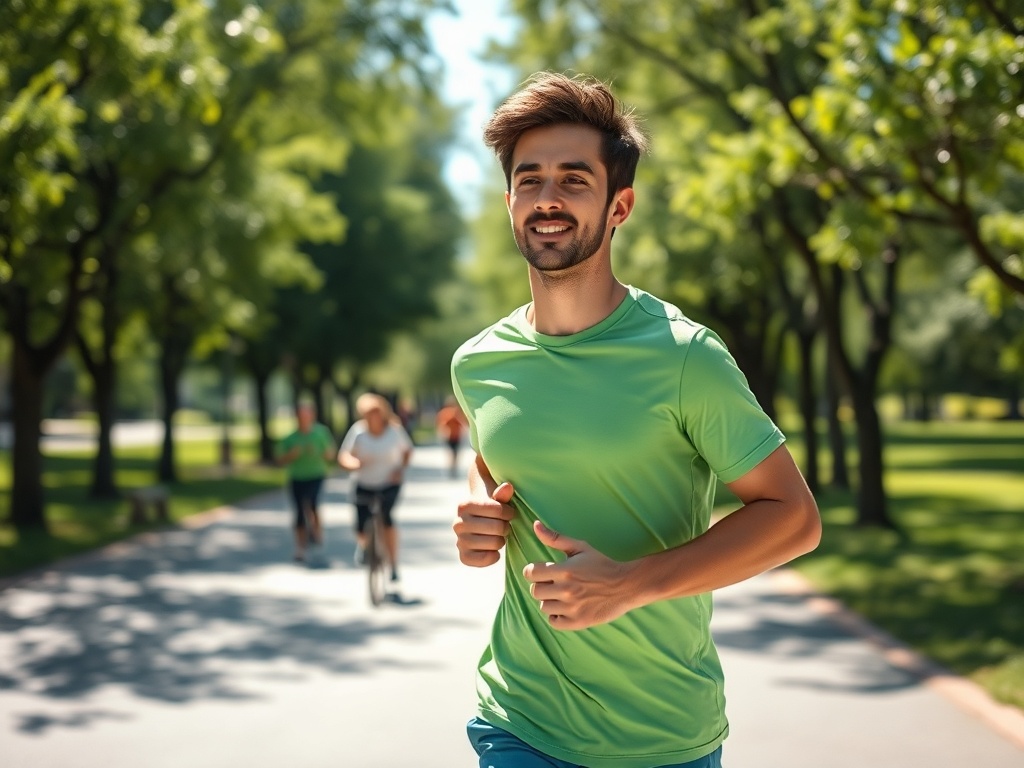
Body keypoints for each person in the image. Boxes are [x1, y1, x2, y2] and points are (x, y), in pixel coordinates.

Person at [449, 72, 821, 768]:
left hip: (662, 735)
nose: (547, 198)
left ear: (619, 205)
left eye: (573, 180)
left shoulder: (685, 357)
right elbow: (496, 460)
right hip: (519, 719)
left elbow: (795, 519)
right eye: (529, 181)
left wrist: (631, 584)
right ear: (509, 203)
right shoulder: (477, 363)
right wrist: (480, 509)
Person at [337, 393, 413, 582]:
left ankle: (393, 564)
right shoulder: (358, 432)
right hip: (364, 483)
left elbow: (407, 451)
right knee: (360, 524)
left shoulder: (394, 431)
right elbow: (344, 455)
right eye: (367, 414)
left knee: (387, 519)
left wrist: (399, 470)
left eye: (375, 412)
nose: (372, 417)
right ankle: (364, 546)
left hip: (389, 484)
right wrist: (353, 463)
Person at [275, 401, 335, 563]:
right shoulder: (290, 438)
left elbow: (330, 453)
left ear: (312, 416)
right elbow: (279, 459)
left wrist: (321, 452)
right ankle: (300, 547)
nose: (304, 419)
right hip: (297, 477)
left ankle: (317, 536)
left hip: (316, 475)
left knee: (313, 505)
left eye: (306, 416)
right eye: (301, 416)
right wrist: (292, 455)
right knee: (299, 513)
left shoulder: (321, 433)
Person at [435, 396, 468, 478]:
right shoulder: (453, 412)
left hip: (451, 436)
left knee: (452, 453)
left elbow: (441, 425)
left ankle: (452, 467)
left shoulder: (444, 412)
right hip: (454, 436)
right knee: (454, 453)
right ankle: (453, 467)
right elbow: (461, 423)